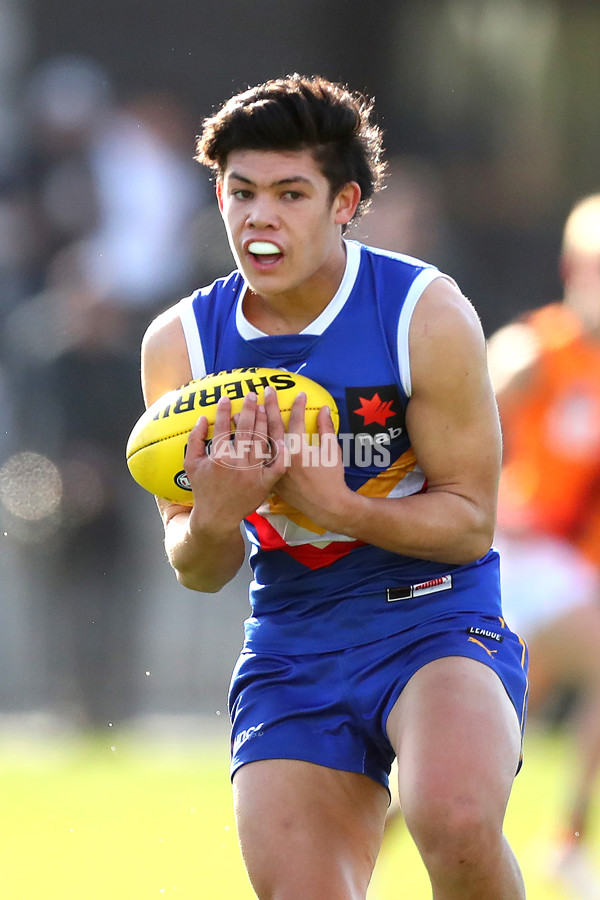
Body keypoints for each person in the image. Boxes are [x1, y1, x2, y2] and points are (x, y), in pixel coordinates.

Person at [139, 74, 528, 900]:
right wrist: (212, 519)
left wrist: (340, 507)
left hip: (435, 612)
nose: (260, 217)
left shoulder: (422, 311)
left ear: (344, 202)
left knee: (455, 823)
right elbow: (199, 566)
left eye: (290, 193)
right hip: (292, 632)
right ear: (218, 197)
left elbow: (470, 525)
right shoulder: (182, 346)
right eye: (241, 193)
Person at [488, 194, 600, 899]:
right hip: (508, 561)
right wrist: (499, 500)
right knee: (484, 741)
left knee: (492, 743)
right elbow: (454, 435)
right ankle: (566, 838)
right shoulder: (534, 351)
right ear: (572, 268)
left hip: (562, 573)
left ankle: (567, 837)